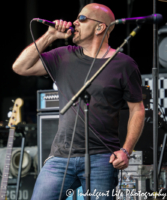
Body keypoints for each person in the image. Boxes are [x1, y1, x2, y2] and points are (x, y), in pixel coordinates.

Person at [12, 3, 145, 200]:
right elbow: (20, 67)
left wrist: (126, 150)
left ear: (100, 27)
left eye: (82, 19)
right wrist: (50, 36)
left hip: (102, 157)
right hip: (60, 157)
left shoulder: (123, 64)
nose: (74, 22)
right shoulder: (64, 56)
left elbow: (138, 110)